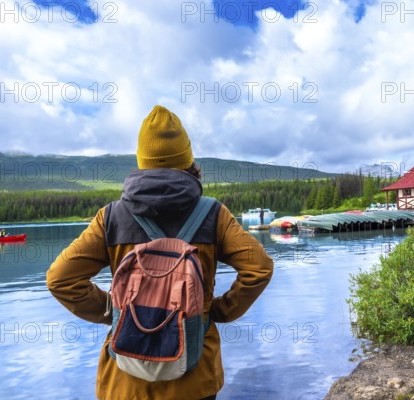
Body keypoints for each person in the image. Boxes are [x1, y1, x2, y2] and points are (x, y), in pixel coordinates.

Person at [46, 105, 274, 400]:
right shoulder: (214, 215)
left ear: (142, 161)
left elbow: (59, 280)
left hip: (125, 381)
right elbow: (260, 269)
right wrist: (217, 311)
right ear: (188, 160)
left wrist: (115, 312)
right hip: (195, 377)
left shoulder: (111, 217)